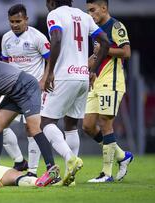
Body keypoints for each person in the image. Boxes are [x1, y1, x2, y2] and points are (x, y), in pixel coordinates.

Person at [41, 0, 110, 186]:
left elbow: (55, 39)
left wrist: (51, 71)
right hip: (82, 77)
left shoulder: (55, 15)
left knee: (46, 122)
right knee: (71, 124)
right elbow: (105, 41)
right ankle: (70, 177)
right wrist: (93, 70)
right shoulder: (84, 16)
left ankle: (70, 158)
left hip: (64, 76)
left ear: (52, 2)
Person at [83, 0, 133, 183]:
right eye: (87, 11)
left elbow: (126, 52)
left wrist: (106, 49)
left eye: (92, 10)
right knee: (88, 126)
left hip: (111, 81)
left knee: (105, 123)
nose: (90, 14)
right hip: (96, 82)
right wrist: (82, 69)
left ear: (104, 8)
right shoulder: (95, 30)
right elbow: (97, 55)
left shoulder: (116, 26)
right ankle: (122, 156)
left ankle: (106, 173)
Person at [0, 3, 51, 175]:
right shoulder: (6, 38)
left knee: (32, 128)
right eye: (11, 21)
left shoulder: (38, 37)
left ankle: (33, 171)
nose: (15, 25)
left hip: (32, 89)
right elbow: (5, 62)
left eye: (18, 21)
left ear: (26, 19)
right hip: (11, 88)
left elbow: (51, 60)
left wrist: (44, 79)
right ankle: (20, 161)